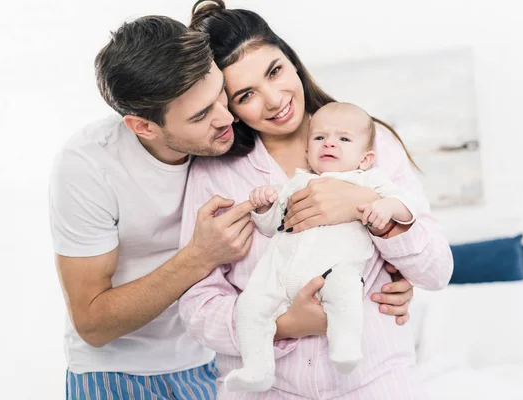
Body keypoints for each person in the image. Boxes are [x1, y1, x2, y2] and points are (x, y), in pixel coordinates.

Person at [179, 1, 454, 398]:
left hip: (375, 383)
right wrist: (285, 323)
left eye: (275, 71)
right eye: (246, 94)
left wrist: (365, 207)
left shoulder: (370, 142)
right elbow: (197, 304)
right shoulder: (214, 175)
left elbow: (437, 271)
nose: (273, 99)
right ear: (228, 108)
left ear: (291, 60)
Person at [49, 15, 256, 399]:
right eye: (200, 115)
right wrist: (199, 257)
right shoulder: (88, 165)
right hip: (114, 372)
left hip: (213, 361)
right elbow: (92, 324)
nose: (226, 118)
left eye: (220, 94)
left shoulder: (231, 129)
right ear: (143, 127)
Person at [228, 102, 421, 392]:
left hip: (334, 270)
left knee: (345, 291)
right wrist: (264, 206)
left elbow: (409, 208)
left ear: (366, 158)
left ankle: (345, 347)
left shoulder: (367, 180)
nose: (329, 142)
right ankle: (257, 369)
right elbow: (270, 227)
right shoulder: (296, 183)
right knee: (249, 306)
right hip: (281, 274)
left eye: (343, 139)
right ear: (307, 152)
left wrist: (385, 206)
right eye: (319, 138)